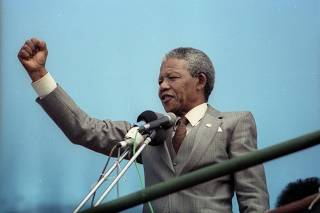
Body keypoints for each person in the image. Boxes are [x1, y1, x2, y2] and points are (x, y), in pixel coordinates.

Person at [17, 38, 269, 213]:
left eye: (172, 78)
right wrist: (39, 74)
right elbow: (83, 128)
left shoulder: (236, 123)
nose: (162, 86)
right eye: (159, 80)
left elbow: (253, 200)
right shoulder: (151, 130)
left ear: (200, 81)